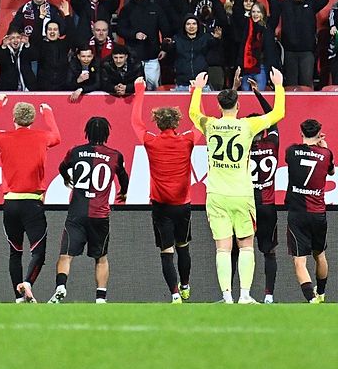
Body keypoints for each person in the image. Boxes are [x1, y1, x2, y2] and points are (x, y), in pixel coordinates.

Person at [189, 67, 285, 304]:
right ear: (238, 107)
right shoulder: (247, 127)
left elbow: (193, 113)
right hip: (242, 194)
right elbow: (279, 113)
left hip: (217, 194)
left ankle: (226, 296)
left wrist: (197, 89)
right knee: (245, 246)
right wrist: (279, 86)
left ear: (220, 107)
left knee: (222, 248)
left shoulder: (210, 124)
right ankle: (244, 295)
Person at [0, 98, 60, 302]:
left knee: (15, 252)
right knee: (39, 252)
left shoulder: (2, 137)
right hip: (33, 203)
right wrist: (48, 112)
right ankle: (27, 283)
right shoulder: (42, 137)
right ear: (32, 119)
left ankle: (18, 298)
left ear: (14, 118)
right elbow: (57, 137)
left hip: (11, 204)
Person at [131, 78, 199, 302]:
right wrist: (195, 91)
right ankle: (186, 284)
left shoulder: (151, 141)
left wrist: (139, 90)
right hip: (183, 205)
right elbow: (199, 123)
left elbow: (135, 122)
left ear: (158, 123)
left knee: (166, 250)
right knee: (183, 245)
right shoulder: (187, 140)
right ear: (176, 122)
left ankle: (175, 294)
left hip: (161, 206)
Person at [50, 117, 129, 304]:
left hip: (76, 213)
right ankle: (101, 297)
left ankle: (61, 287)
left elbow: (62, 167)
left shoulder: (75, 152)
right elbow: (124, 178)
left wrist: (66, 178)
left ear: (87, 132)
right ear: (107, 134)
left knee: (65, 255)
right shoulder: (115, 155)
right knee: (101, 258)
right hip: (99, 215)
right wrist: (123, 193)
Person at [284, 119, 333, 304]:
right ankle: (320, 293)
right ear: (319, 133)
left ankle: (311, 299)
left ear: (301, 132)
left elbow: (294, 157)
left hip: (298, 214)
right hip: (318, 213)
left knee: (299, 261)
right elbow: (331, 172)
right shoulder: (326, 153)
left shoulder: (291, 151)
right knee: (319, 254)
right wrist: (324, 147)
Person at [247, 78, 281, 304]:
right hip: (268, 207)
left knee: (238, 251)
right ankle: (268, 295)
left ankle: (236, 294)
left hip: (247, 206)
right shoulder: (273, 144)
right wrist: (259, 94)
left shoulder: (242, 148)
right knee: (269, 252)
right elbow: (275, 121)